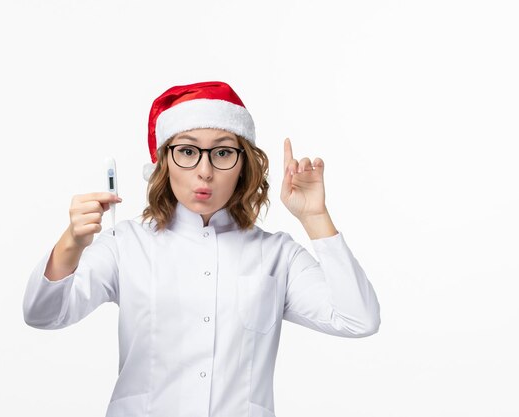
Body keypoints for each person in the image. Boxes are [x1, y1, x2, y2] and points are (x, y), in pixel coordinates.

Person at [23, 81, 381, 417]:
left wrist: (315, 217)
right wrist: (72, 241)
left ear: (243, 165)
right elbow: (43, 313)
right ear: (164, 162)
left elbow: (358, 319)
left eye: (223, 152)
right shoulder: (127, 244)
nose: (205, 171)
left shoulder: (277, 256)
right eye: (188, 152)